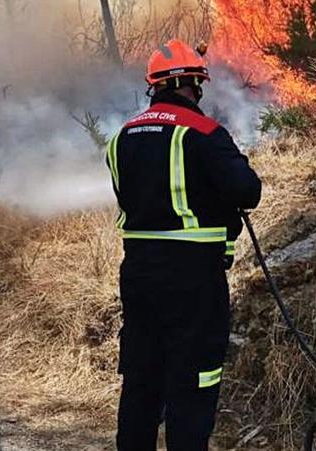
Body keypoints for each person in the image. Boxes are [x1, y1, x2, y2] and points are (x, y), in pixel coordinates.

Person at [107, 39, 262, 450]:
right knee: (194, 380)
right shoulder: (205, 133)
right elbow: (247, 191)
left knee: (142, 377)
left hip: (138, 275)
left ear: (153, 86)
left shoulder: (121, 138)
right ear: (195, 83)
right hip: (192, 279)